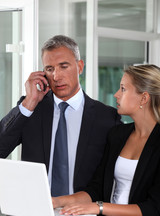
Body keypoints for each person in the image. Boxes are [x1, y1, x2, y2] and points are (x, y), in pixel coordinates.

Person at [0, 35, 121, 196]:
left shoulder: (106, 117)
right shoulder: (32, 109)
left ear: (80, 66)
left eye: (64, 66)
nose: (56, 77)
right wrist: (29, 102)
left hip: (84, 215)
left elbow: (113, 177)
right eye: (50, 69)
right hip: (35, 211)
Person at [52, 64, 160, 216]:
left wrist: (99, 207)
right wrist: (57, 201)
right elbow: (97, 189)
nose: (116, 94)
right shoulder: (118, 135)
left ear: (144, 98)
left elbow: (154, 209)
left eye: (123, 89)